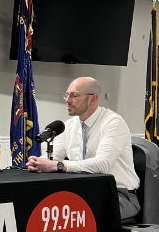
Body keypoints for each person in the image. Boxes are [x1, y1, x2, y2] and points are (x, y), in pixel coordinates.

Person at [26, 77, 141, 220]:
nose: (67, 100)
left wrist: (58, 165)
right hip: (84, 191)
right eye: (67, 95)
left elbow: (102, 164)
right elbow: (53, 157)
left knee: (76, 215)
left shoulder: (113, 123)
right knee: (46, 208)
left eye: (74, 95)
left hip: (118, 195)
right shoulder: (68, 126)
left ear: (93, 99)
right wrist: (38, 163)